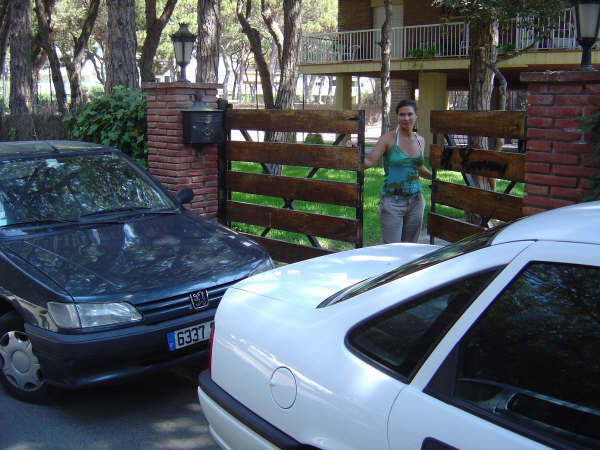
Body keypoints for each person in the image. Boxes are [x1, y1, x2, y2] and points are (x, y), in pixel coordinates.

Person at [364, 99, 432, 243]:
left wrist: (435, 178)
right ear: (397, 116)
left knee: (410, 248)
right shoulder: (388, 139)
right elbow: (368, 162)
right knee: (391, 249)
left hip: (416, 202)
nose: (406, 118)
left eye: (409, 114)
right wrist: (352, 151)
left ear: (416, 115)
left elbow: (418, 168)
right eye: (402, 115)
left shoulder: (421, 140)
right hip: (392, 202)